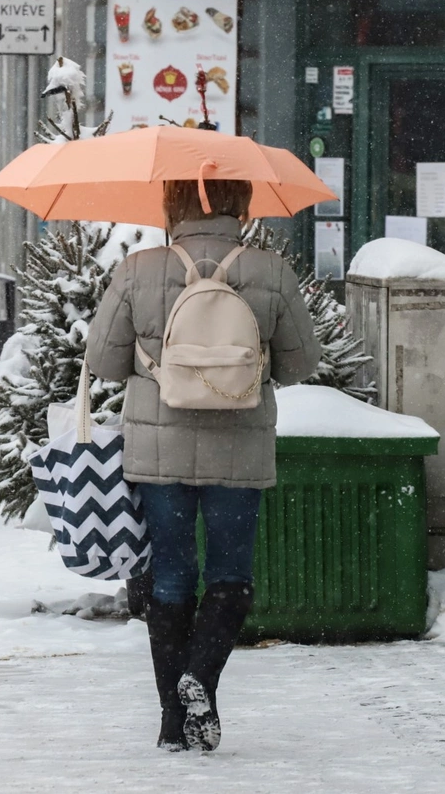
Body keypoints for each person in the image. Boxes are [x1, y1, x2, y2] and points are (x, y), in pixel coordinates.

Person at [85, 179, 319, 753]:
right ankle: (200, 679)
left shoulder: (138, 269)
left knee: (170, 576)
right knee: (231, 576)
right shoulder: (271, 271)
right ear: (242, 205)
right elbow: (301, 364)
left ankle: (174, 721)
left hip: (158, 451)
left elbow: (104, 362)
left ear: (172, 206)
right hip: (240, 447)